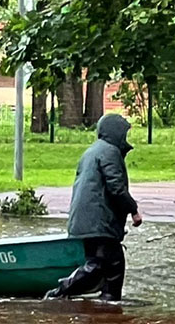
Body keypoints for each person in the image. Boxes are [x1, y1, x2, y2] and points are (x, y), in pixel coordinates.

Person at [46, 112, 142, 301]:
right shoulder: (110, 152)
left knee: (106, 264)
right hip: (98, 223)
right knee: (105, 264)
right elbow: (116, 187)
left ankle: (108, 302)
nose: (126, 138)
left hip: (88, 221)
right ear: (115, 133)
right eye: (124, 133)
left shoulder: (93, 151)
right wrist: (133, 210)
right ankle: (61, 291)